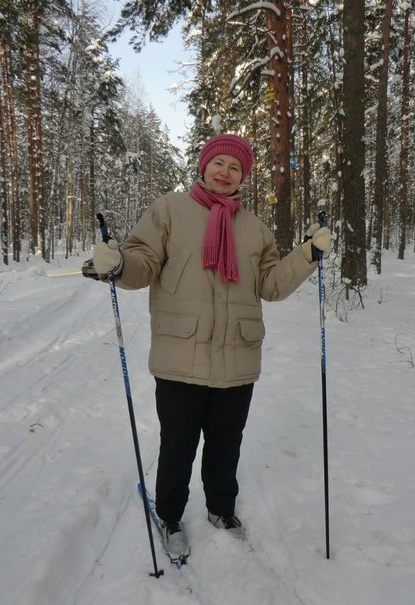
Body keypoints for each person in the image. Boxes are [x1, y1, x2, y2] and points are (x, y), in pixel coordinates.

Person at [92, 133, 331, 562]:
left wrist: (308, 254)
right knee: (177, 446)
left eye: (235, 167)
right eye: (218, 163)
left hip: (237, 359)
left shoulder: (255, 228)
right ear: (203, 167)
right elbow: (141, 263)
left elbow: (272, 285)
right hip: (180, 359)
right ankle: (169, 516)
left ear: (243, 177)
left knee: (226, 445)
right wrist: (118, 264)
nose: (225, 172)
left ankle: (222, 510)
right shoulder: (169, 211)